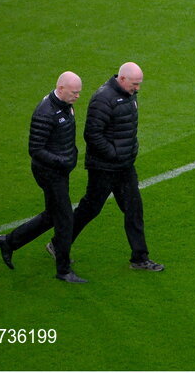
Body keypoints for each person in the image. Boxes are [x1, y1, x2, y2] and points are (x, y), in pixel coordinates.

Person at [0, 71, 87, 283]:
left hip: (59, 171)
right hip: (49, 173)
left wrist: (70, 155)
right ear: (61, 88)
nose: (77, 96)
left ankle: (9, 242)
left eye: (79, 93)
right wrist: (61, 161)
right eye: (74, 92)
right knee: (64, 219)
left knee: (52, 215)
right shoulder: (45, 112)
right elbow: (35, 149)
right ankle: (63, 270)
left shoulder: (65, 105)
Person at [71, 62, 165, 270]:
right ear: (122, 79)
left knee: (134, 209)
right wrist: (113, 153)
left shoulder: (129, 95)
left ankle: (140, 258)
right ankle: (59, 243)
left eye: (139, 84)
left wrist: (129, 150)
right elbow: (92, 134)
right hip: (104, 167)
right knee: (90, 208)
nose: (137, 89)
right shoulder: (103, 99)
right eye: (134, 84)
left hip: (124, 166)